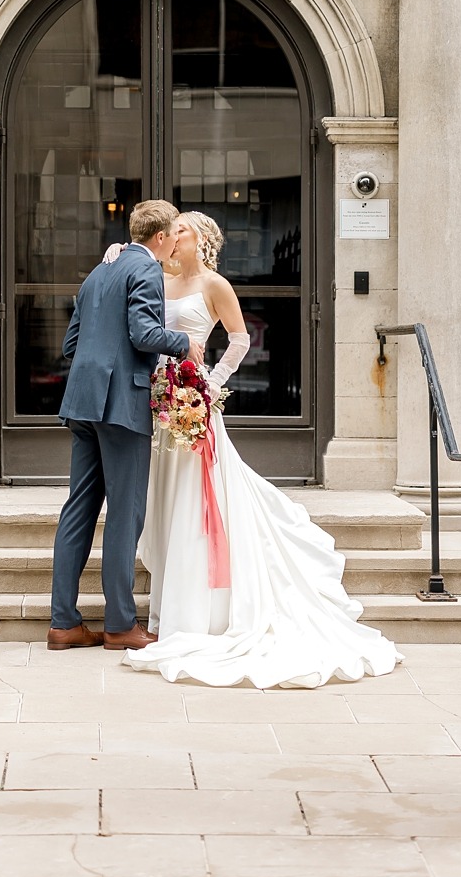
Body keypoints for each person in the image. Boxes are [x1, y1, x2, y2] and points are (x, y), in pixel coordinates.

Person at [123, 211, 401, 689]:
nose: (173, 235)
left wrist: (209, 384)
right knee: (165, 502)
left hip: (192, 402)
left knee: (195, 503)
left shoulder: (214, 285)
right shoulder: (156, 277)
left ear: (201, 239)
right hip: (157, 406)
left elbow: (238, 339)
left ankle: (197, 614)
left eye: (182, 229)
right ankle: (167, 606)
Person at [47, 199, 206, 653]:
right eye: (175, 233)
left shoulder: (100, 271)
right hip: (121, 408)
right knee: (124, 513)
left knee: (78, 508)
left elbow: (71, 342)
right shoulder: (147, 270)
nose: (178, 240)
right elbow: (143, 334)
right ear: (159, 238)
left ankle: (64, 623)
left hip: (82, 403)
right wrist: (185, 342)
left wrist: (99, 371)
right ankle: (119, 625)